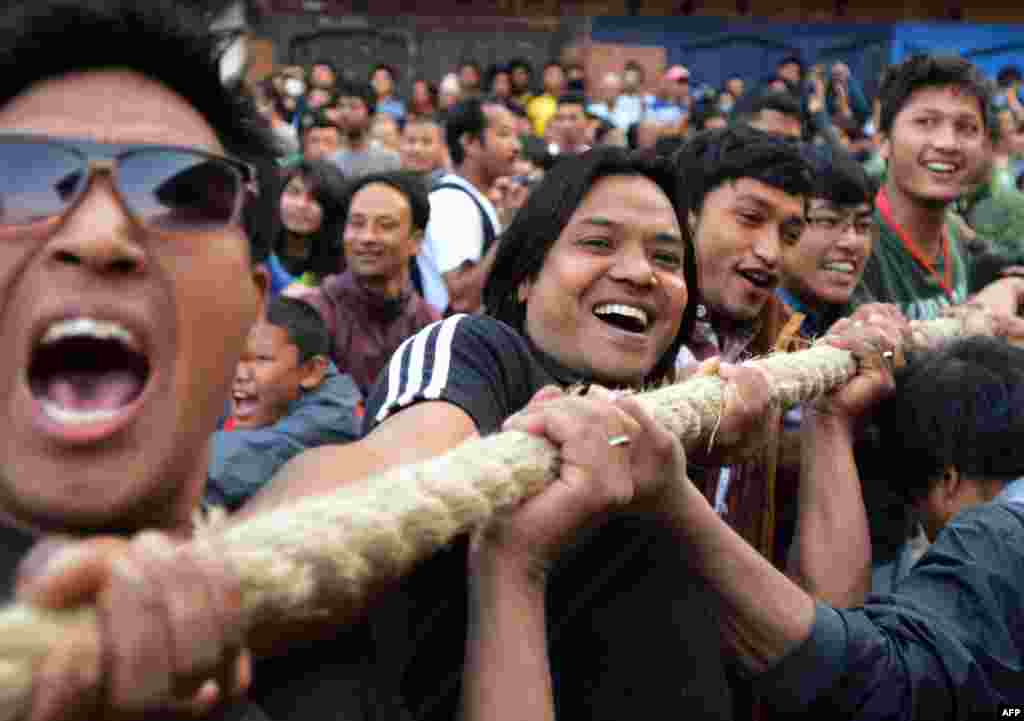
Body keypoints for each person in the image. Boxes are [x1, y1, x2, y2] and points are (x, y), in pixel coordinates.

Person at [241, 146, 775, 721]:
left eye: (667, 259)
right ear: (524, 278)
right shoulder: (481, 350)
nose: (640, 273)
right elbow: (391, 469)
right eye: (598, 243)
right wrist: (227, 577)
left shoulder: (671, 412)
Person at [0, 0, 283, 717]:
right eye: (18, 180)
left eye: (184, 194)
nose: (100, 235)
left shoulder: (344, 649)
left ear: (254, 307)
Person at [862, 53, 1024, 321]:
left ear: (985, 146)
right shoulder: (855, 244)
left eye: (966, 127)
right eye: (925, 122)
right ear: (883, 141)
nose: (947, 143)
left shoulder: (955, 236)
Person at [206, 296, 363, 511]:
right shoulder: (254, 401)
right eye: (234, 357)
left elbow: (218, 465)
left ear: (311, 371)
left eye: (261, 359)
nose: (240, 374)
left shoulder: (330, 422)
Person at [293, 171, 440, 396]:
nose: (367, 237)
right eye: (357, 223)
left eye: (385, 225)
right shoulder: (313, 314)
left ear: (415, 242)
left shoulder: (430, 325)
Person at [415, 97, 521, 315]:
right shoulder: (453, 203)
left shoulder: (472, 199)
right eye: (504, 134)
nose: (517, 146)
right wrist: (512, 229)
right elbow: (462, 298)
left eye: (516, 135)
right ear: (470, 143)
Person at [777, 145, 876, 338]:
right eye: (828, 221)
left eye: (863, 225)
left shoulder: (865, 316)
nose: (851, 242)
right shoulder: (738, 328)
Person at [266, 159, 348, 294]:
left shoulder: (343, 264)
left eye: (315, 198)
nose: (301, 205)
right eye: (294, 192)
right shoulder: (258, 252)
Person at [328, 78, 401, 179]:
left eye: (353, 107)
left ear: (370, 115)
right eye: (341, 106)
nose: (345, 113)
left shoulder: (389, 160)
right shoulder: (330, 161)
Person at [399, 113, 448, 184]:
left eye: (426, 142)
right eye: (411, 141)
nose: (417, 149)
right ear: (400, 145)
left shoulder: (449, 188)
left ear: (442, 148)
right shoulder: (389, 185)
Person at [526, 61, 564, 137]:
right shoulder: (533, 103)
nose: (554, 77)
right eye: (550, 74)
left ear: (563, 78)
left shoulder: (572, 101)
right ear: (543, 79)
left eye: (557, 74)